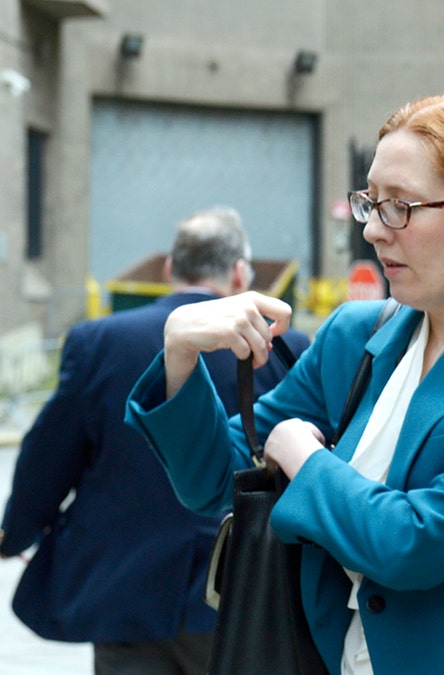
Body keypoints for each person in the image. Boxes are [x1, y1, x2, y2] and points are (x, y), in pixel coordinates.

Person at [124, 89, 444, 674]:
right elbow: (218, 482)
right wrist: (180, 353)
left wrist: (303, 458)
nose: (373, 229)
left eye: (400, 206)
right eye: (371, 202)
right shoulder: (356, 336)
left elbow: (414, 544)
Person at [0, 207, 311, 674]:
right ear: (238, 273)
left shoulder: (99, 340)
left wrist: (14, 533)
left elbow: (49, 455)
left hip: (125, 592)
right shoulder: (283, 347)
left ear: (170, 269)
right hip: (239, 592)